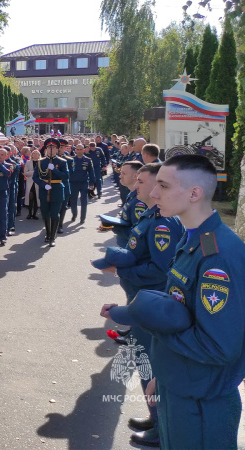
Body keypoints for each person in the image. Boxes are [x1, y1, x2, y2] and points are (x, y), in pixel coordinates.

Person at [107, 155, 245, 448]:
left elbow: (219, 346)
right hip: (180, 387)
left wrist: (151, 320)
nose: (154, 194)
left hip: (200, 403)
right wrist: (164, 378)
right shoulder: (193, 239)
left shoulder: (217, 256)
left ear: (195, 194)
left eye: (164, 186)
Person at [97, 163, 183, 448]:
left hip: (151, 300)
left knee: (154, 366)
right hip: (141, 299)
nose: (136, 187)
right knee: (146, 364)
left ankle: (161, 427)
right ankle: (156, 417)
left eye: (142, 182)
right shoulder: (150, 214)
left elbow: (161, 271)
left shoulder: (163, 223)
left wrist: (121, 272)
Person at [33, 138, 69, 246]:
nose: (51, 149)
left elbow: (66, 177)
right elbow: (36, 177)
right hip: (45, 190)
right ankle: (47, 234)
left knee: (54, 214)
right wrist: (44, 185)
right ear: (46, 149)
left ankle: (52, 237)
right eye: (49, 147)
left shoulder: (62, 162)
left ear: (57, 149)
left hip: (57, 189)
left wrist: (55, 170)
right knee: (45, 213)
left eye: (53, 147)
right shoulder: (41, 162)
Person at [68, 144, 96, 224]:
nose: (79, 151)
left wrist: (91, 183)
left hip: (84, 183)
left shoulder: (88, 160)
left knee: (84, 201)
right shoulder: (71, 160)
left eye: (81, 149)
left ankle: (82, 218)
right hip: (73, 183)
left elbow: (91, 172)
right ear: (75, 150)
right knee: (73, 201)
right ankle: (74, 214)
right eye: (77, 149)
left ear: (83, 150)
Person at [23, 149, 40, 220]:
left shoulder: (41, 162)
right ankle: (29, 213)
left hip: (38, 183)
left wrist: (32, 172)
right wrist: (34, 172)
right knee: (30, 198)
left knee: (36, 199)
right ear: (32, 155)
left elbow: (42, 173)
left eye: (36, 153)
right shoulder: (28, 162)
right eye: (34, 153)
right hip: (30, 182)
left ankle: (34, 214)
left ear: (39, 155)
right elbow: (25, 173)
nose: (35, 154)